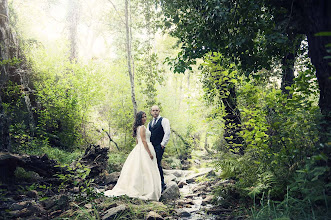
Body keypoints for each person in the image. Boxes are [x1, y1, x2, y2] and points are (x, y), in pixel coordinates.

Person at [104, 111, 161, 201]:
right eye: (143, 117)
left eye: (145, 116)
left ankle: (144, 188)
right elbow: (143, 141)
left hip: (140, 148)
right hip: (145, 148)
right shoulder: (142, 127)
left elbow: (137, 141)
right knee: (146, 169)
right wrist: (149, 153)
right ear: (139, 118)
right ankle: (147, 189)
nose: (145, 118)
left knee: (141, 169)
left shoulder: (138, 127)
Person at [148, 105, 170, 192]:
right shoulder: (150, 123)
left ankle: (162, 183)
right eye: (153, 110)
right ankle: (154, 183)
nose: (155, 112)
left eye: (156, 110)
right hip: (151, 146)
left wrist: (163, 144)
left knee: (157, 163)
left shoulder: (164, 120)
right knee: (152, 164)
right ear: (151, 112)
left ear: (159, 111)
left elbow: (167, 132)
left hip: (159, 145)